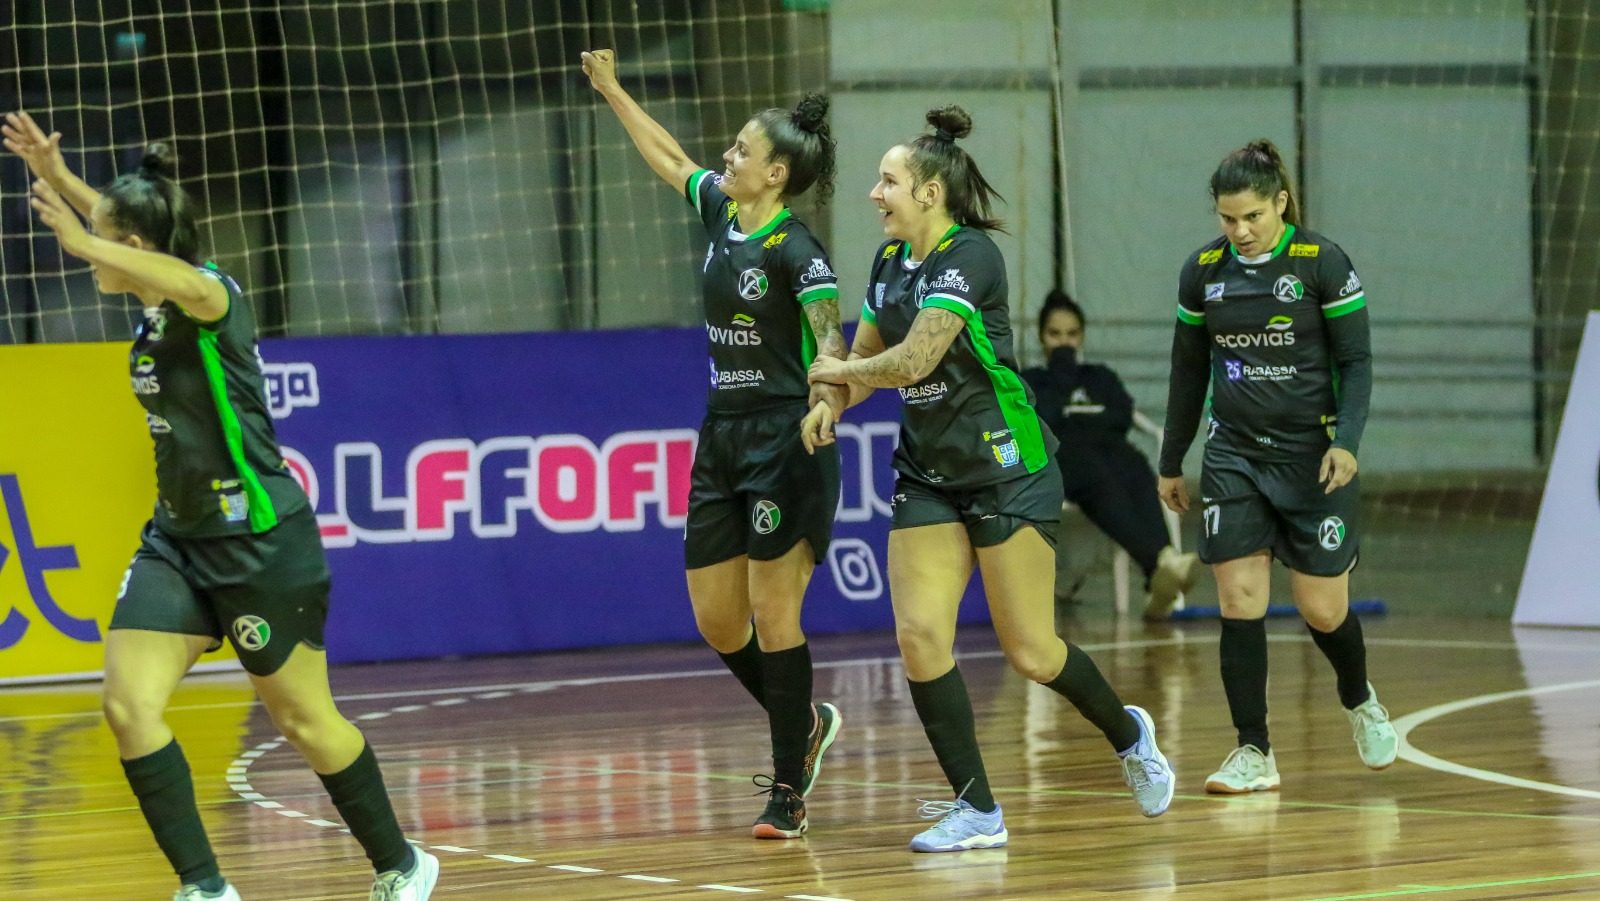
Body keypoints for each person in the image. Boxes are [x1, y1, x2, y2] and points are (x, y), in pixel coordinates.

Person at [4, 111, 437, 900]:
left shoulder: (209, 296)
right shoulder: (150, 286)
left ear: (134, 248)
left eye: (108, 242)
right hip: (178, 539)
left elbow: (150, 258)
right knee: (129, 706)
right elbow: (125, 230)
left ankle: (403, 864)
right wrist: (58, 174)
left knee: (308, 724)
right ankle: (206, 887)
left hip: (261, 541)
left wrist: (80, 237)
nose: (93, 256)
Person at [803, 106, 1174, 853]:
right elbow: (870, 360)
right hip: (929, 473)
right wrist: (828, 398)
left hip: (1008, 467)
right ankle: (978, 808)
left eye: (889, 181)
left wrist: (840, 369)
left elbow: (913, 362)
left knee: (1032, 651)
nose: (875, 194)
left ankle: (1128, 731)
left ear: (932, 192)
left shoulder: (970, 258)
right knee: (918, 636)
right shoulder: (889, 264)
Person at [580, 50, 845, 839]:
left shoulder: (799, 253)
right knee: (718, 621)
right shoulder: (720, 214)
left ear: (777, 176)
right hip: (722, 435)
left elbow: (833, 340)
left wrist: (827, 400)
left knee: (774, 612)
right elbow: (671, 158)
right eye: (729, 149)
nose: (725, 159)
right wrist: (614, 90)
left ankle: (787, 793)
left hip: (784, 440)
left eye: (741, 153)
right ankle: (806, 719)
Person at [1157, 138, 1398, 794]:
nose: (1239, 231)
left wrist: (1347, 441)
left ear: (1281, 203)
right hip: (1234, 454)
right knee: (1239, 598)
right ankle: (1253, 749)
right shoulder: (1202, 272)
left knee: (1322, 609)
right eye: (1227, 219)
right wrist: (1171, 457)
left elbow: (1357, 361)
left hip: (1313, 459)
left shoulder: (1322, 262)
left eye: (1252, 217)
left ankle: (1359, 698)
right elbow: (1188, 368)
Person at [1021, 289, 1200, 620]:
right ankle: (1159, 562)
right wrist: (1066, 377)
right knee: (1094, 472)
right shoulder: (1033, 381)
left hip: (1110, 453)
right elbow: (1045, 419)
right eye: (1055, 334)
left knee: (1136, 466)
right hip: (1062, 462)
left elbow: (1121, 414)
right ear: (1041, 337)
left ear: (1083, 336)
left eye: (1072, 334)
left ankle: (1159, 569)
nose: (1064, 342)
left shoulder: (1100, 376)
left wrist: (1077, 415)